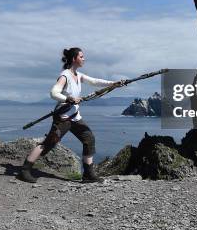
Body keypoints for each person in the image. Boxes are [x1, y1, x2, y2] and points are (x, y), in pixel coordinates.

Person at [18, 47, 124, 183]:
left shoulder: (78, 75)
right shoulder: (65, 75)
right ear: (74, 59)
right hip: (63, 118)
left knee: (89, 139)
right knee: (48, 144)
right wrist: (68, 99)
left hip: (75, 117)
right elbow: (54, 93)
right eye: (81, 56)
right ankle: (25, 171)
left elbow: (95, 81)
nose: (84, 59)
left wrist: (114, 84)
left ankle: (88, 174)